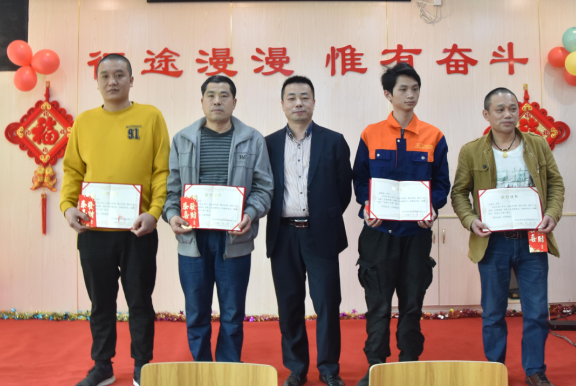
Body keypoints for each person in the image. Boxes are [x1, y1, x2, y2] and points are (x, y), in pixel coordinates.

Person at [60, 54, 171, 386]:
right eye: (105, 75)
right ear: (96, 82)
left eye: (120, 75)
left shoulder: (151, 117)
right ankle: (102, 366)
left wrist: (154, 213)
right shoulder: (84, 122)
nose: (113, 81)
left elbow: (162, 171)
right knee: (101, 303)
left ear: (131, 80)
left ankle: (142, 366)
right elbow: (72, 171)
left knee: (140, 302)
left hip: (138, 229)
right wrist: (67, 207)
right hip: (93, 230)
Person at [451, 87, 565, 386]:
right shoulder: (471, 150)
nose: (508, 114)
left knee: (537, 311)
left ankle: (535, 370)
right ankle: (495, 369)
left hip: (532, 238)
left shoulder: (537, 144)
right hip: (493, 242)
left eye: (513, 108)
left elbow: (555, 183)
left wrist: (552, 214)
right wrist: (471, 220)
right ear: (486, 114)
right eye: (500, 109)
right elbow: (459, 193)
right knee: (492, 312)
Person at [162, 75, 273, 363]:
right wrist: (172, 217)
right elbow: (171, 192)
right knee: (196, 312)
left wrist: (249, 214)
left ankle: (228, 369)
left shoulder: (253, 139)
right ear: (201, 102)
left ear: (234, 102)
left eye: (224, 95)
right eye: (211, 95)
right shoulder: (182, 139)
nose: (217, 101)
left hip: (234, 239)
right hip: (193, 240)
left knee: (233, 313)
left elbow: (264, 189)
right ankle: (202, 369)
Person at [352, 63, 450, 386]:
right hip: (378, 233)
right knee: (378, 305)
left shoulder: (434, 136)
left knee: (412, 304)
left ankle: (409, 364)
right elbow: (360, 179)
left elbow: (441, 184)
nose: (410, 95)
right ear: (388, 94)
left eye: (415, 89)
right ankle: (376, 367)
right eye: (403, 89)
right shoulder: (371, 133)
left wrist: (432, 208)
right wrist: (367, 204)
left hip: (416, 235)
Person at [265, 76, 353, 386]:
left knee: (327, 304)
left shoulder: (334, 141)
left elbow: (343, 191)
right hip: (283, 235)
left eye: (304, 97)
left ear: (314, 102)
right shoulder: (269, 144)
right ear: (282, 104)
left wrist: (323, 217)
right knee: (289, 305)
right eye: (291, 97)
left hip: (321, 235)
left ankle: (329, 369)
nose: (298, 103)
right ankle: (297, 369)